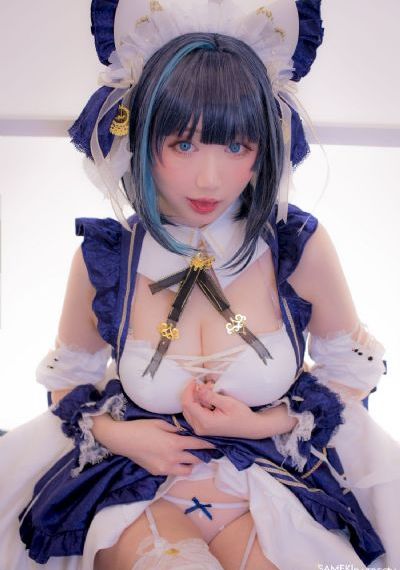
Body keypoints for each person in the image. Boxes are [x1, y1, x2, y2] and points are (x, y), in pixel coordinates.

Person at [1, 0, 400, 568]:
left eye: (236, 146)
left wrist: (264, 422)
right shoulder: (108, 259)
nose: (210, 179)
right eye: (183, 144)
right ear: (142, 142)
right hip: (136, 488)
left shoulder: (296, 246)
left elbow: (349, 375)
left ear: (264, 149)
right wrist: (122, 436)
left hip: (270, 483)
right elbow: (70, 385)